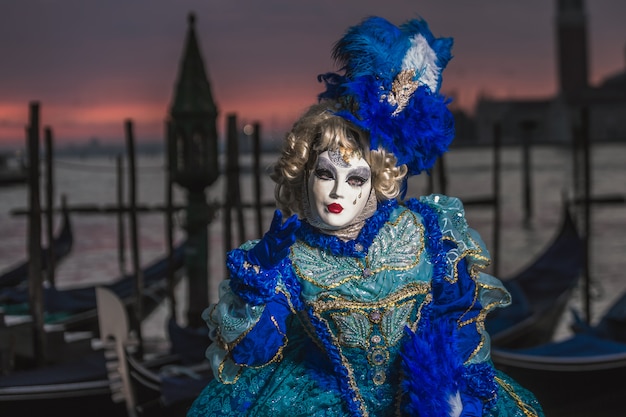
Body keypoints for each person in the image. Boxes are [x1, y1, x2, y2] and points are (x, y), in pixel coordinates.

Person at [187, 15, 544, 417]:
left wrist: (454, 397)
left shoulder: (428, 232)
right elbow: (253, 353)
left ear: (377, 183)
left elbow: (457, 323)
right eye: (325, 174)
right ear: (302, 176)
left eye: (356, 179)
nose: (338, 191)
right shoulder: (286, 259)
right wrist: (257, 282)